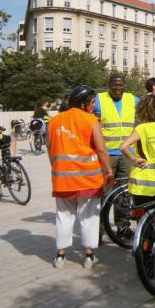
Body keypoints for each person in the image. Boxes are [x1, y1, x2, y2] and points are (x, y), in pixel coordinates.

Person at [47, 85, 113, 269]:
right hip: (88, 179)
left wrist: (57, 168)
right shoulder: (90, 120)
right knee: (89, 217)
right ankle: (89, 256)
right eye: (91, 103)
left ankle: (60, 255)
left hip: (62, 179)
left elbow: (49, 148)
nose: (93, 106)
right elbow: (101, 149)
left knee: (63, 216)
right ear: (83, 104)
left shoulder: (54, 121)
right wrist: (108, 170)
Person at [94, 72, 139, 240]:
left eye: (121, 85)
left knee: (124, 193)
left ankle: (122, 227)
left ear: (125, 85)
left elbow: (141, 121)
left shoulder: (133, 99)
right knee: (103, 193)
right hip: (107, 154)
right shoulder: (99, 100)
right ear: (109, 84)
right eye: (115, 84)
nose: (118, 88)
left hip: (127, 154)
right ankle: (98, 231)